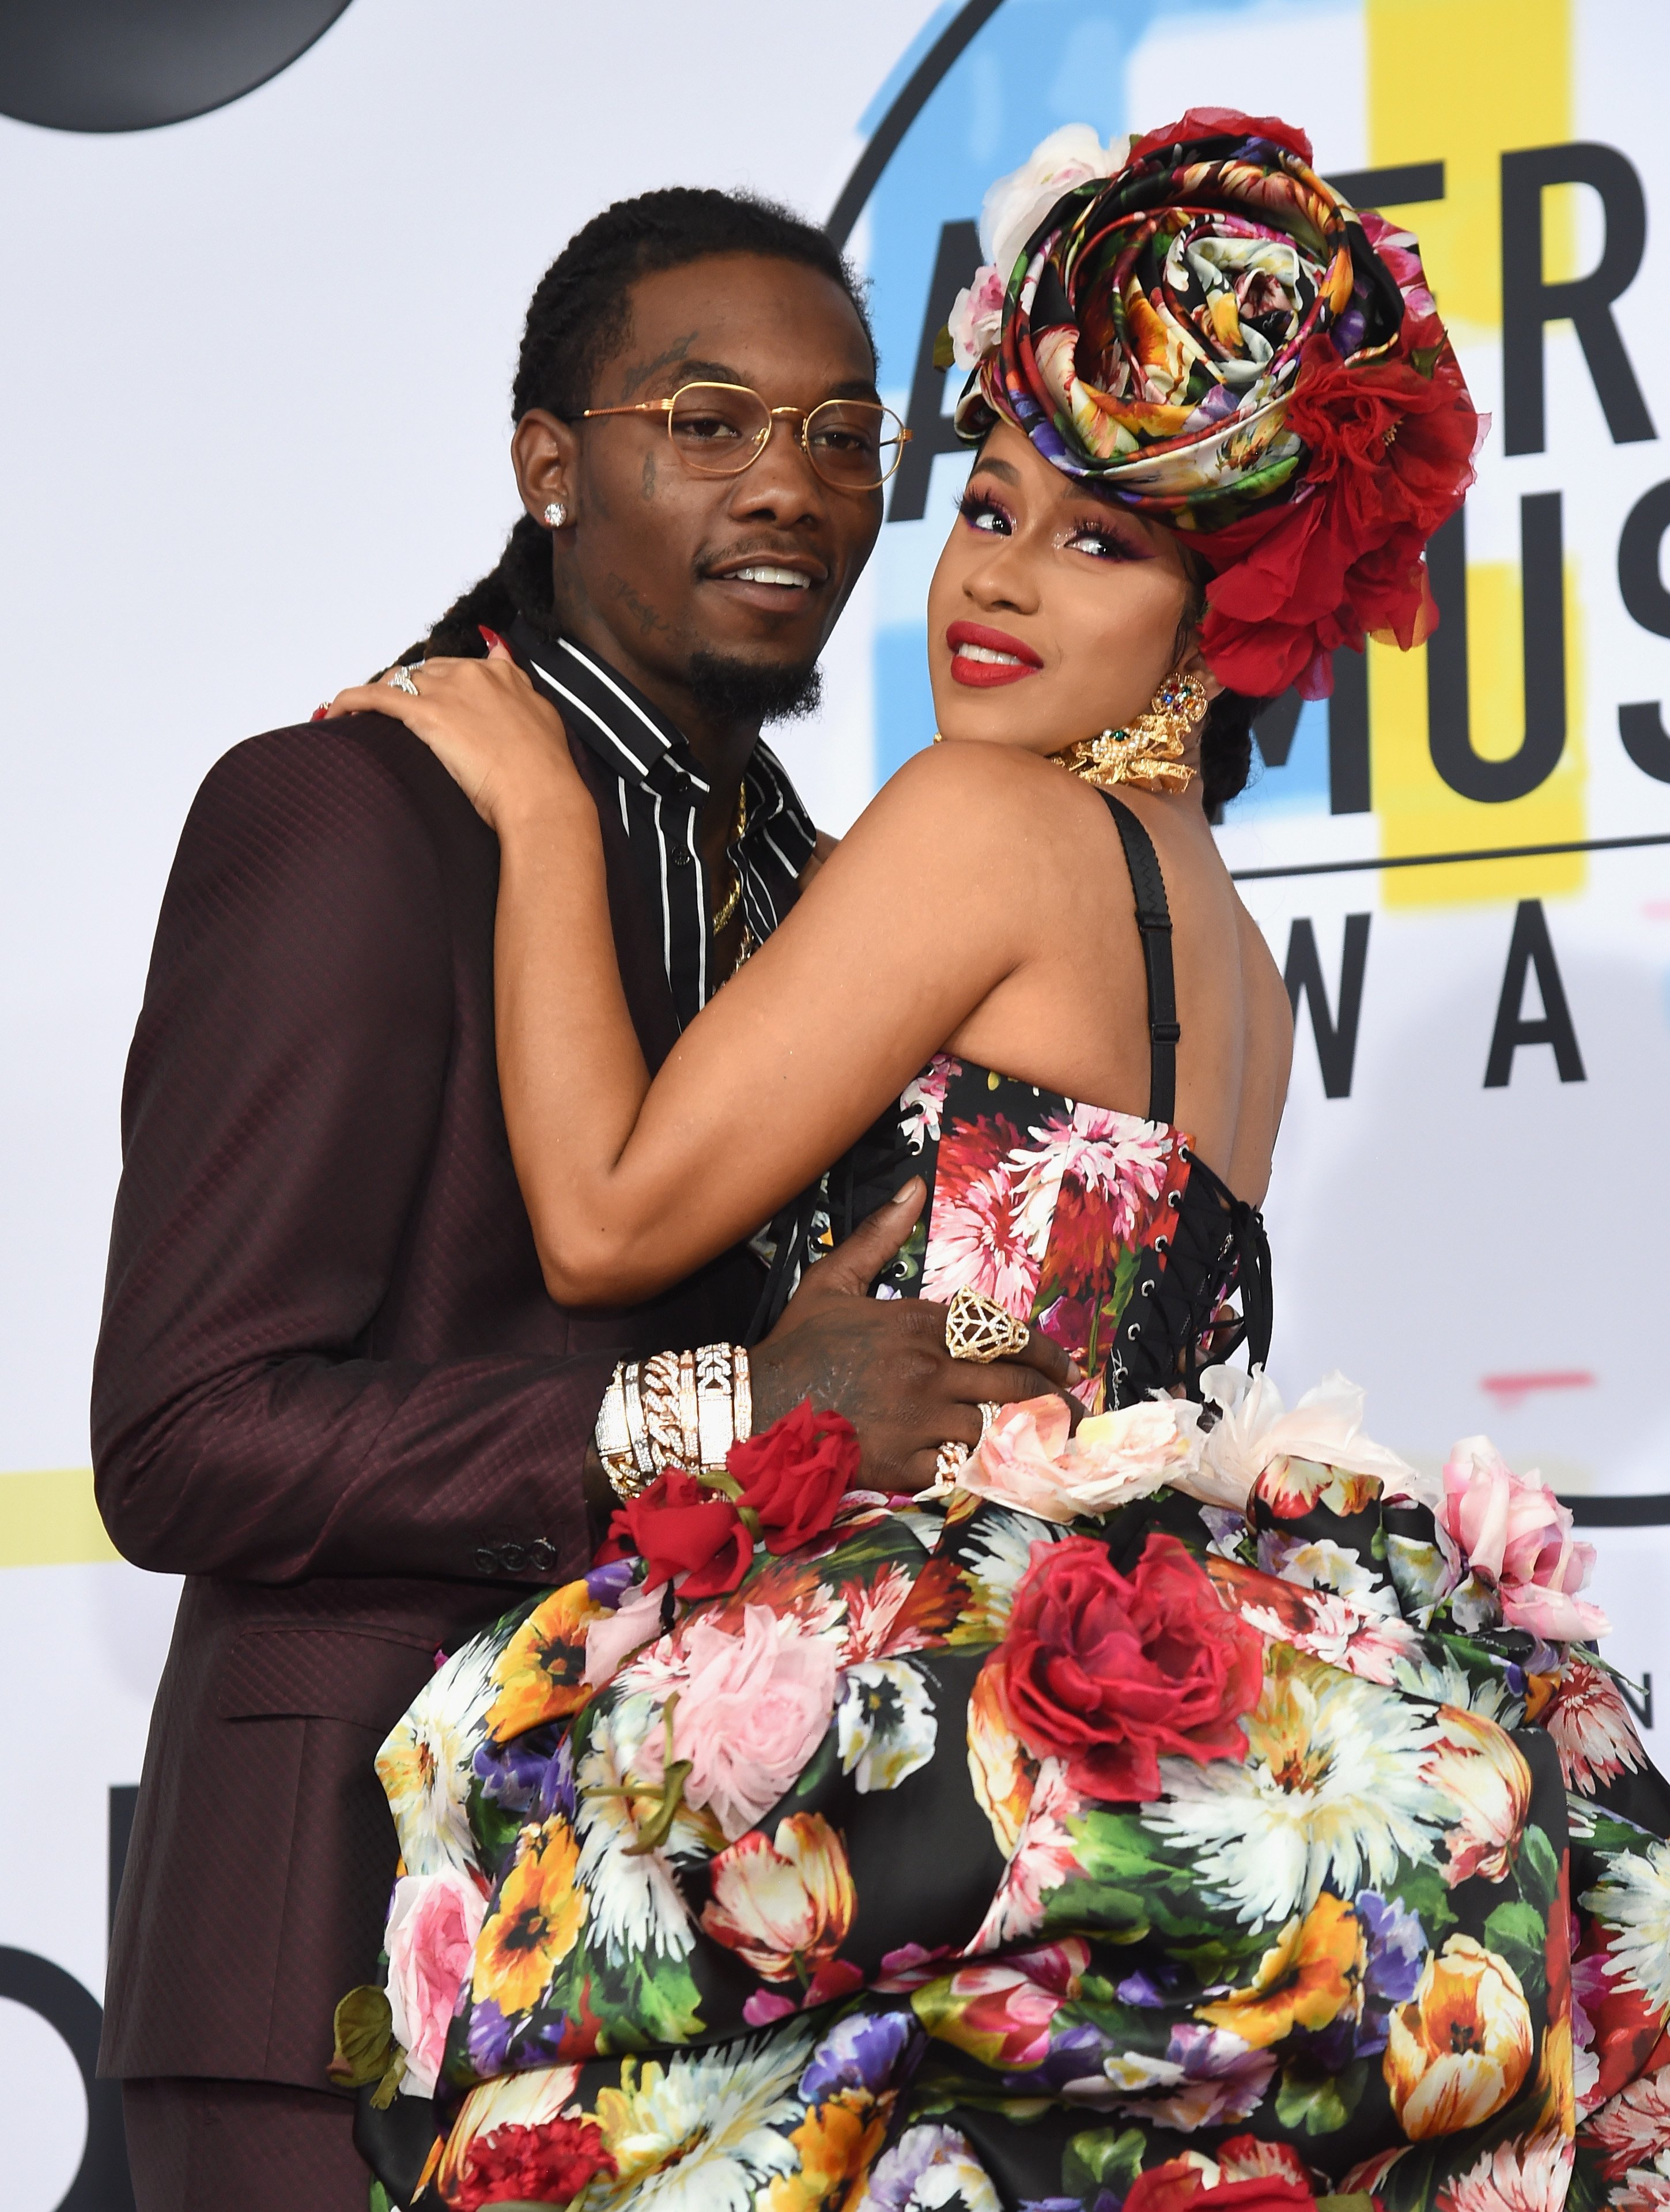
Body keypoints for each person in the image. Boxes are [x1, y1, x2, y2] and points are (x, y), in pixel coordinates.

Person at [337, 117, 1669, 2212]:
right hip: (1177, 1716)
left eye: (1095, 543)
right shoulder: (1222, 938)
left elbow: (603, 1216)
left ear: (1230, 608)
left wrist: (526, 811)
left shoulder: (979, 826)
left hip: (928, 1716)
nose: (992, 576)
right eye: (986, 507)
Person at [91, 188, 1076, 2212]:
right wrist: (713, 1410)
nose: (789, 489)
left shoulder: (812, 879)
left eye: (837, 435)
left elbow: (875, 1353)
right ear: (548, 460)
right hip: (341, 1988)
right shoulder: (357, 815)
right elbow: (188, 1435)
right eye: (705, 423)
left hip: (687, 1981)